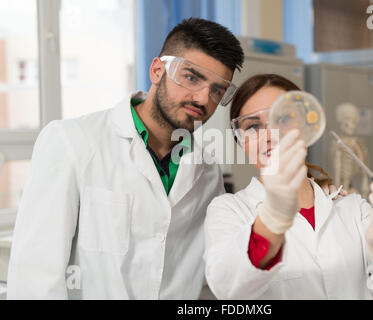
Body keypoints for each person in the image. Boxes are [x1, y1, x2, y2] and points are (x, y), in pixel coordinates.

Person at [7, 18, 244, 299]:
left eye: (217, 90)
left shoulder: (207, 173)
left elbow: (208, 275)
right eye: (192, 77)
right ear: (157, 70)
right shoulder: (72, 142)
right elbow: (35, 278)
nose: (203, 98)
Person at [204, 74, 373, 299]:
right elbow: (228, 287)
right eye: (253, 127)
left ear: (306, 129)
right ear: (241, 141)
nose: (269, 136)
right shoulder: (229, 210)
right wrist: (271, 220)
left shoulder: (353, 208)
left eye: (282, 120)